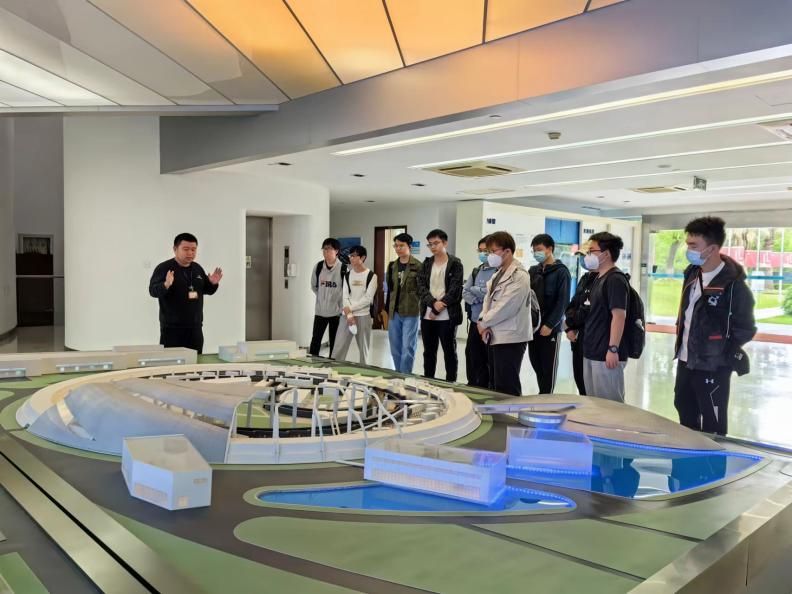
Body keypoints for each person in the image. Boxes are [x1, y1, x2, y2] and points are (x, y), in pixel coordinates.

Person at [674, 216, 756, 435]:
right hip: (686, 360)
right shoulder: (692, 274)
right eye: (688, 244)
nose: (688, 250)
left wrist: (721, 349)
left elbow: (746, 327)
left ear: (711, 249)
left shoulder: (733, 284)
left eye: (694, 245)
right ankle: (688, 455)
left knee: (713, 421)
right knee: (684, 410)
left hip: (713, 365)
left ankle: (714, 457)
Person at [148, 232, 222, 354]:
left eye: (193, 249)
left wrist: (213, 283)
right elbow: (153, 291)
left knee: (195, 361)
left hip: (195, 328)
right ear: (175, 249)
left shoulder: (197, 268)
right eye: (186, 249)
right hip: (172, 329)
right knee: (172, 362)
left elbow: (207, 290)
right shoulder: (164, 268)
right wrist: (166, 284)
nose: (190, 253)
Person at [477, 231, 532, 396]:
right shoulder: (498, 273)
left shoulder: (519, 276)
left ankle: (512, 411)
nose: (490, 256)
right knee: (496, 383)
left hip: (511, 337)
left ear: (507, 251)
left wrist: (483, 323)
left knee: (507, 385)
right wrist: (482, 321)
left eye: (493, 251)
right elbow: (487, 301)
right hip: (495, 333)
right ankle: (499, 411)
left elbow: (506, 307)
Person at [581, 232, 630, 402]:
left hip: (605, 353)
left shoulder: (615, 279)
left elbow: (619, 316)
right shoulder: (598, 278)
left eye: (592, 251)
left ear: (606, 254)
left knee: (610, 406)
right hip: (592, 351)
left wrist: (613, 349)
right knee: (595, 404)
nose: (588, 255)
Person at [417, 229, 464, 382]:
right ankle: (428, 381)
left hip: (447, 316)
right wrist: (432, 304)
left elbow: (455, 290)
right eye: (430, 244)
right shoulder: (426, 264)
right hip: (427, 316)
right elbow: (421, 287)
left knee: (449, 351)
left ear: (445, 243)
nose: (433, 247)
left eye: (436, 243)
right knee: (429, 352)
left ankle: (451, 383)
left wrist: (438, 308)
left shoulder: (455, 264)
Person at [527, 234, 571, 393]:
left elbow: (562, 301)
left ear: (550, 249)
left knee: (548, 368)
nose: (536, 253)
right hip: (533, 327)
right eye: (534, 250)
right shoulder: (533, 271)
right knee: (536, 363)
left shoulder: (561, 272)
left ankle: (547, 397)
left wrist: (550, 324)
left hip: (550, 328)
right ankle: (542, 395)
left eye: (539, 249)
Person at [385, 233, 422, 373]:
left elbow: (422, 290)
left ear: (409, 246)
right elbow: (390, 289)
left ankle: (405, 376)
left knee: (408, 347)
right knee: (395, 347)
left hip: (410, 312)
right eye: (396, 246)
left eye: (401, 245)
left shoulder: (418, 266)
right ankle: (398, 373)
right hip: (394, 312)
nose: (398, 248)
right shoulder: (392, 266)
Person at [462, 236, 497, 388]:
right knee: (471, 354)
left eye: (486, 251)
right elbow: (465, 291)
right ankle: (472, 384)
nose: (483, 254)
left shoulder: (498, 272)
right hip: (475, 321)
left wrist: (476, 290)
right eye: (480, 250)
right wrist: (478, 298)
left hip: (491, 324)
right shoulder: (477, 271)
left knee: (487, 358)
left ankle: (485, 387)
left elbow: (492, 294)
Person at [333, 245, 377, 364]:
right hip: (347, 317)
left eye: (354, 256)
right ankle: (335, 369)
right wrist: (349, 314)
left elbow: (368, 299)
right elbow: (345, 296)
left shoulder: (371, 276)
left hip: (363, 316)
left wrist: (349, 309)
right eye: (350, 256)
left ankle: (363, 372)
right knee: (338, 348)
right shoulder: (347, 275)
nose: (351, 258)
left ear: (362, 258)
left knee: (364, 350)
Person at [564, 249, 599, 395]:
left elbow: (588, 310)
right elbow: (573, 305)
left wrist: (570, 323)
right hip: (578, 339)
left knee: (593, 388)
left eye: (586, 256)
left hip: (593, 339)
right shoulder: (585, 278)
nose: (584, 260)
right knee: (580, 380)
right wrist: (568, 328)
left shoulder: (604, 280)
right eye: (582, 257)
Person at [309, 238, 346, 358]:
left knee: (334, 342)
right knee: (315, 340)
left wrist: (338, 304)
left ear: (336, 251)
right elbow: (314, 286)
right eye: (324, 249)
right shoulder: (318, 266)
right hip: (320, 311)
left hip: (336, 313)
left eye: (329, 249)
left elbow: (346, 291)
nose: (326, 252)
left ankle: (332, 364)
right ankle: (312, 363)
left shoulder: (343, 269)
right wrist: (322, 297)